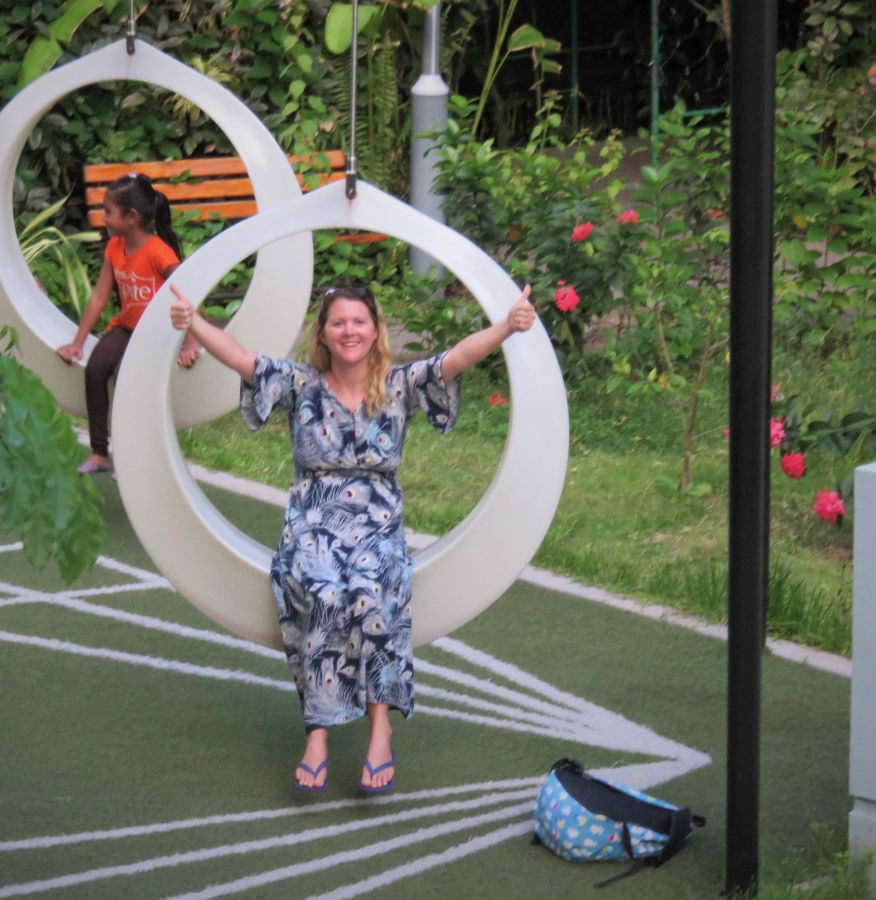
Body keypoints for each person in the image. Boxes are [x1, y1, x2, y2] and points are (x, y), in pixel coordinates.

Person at [169, 280, 537, 793]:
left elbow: (455, 359)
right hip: (313, 516)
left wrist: (506, 326)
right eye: (338, 322)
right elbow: (242, 360)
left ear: (375, 328)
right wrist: (194, 324)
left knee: (371, 590)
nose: (349, 331)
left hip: (377, 518)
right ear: (322, 332)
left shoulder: (399, 384)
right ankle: (316, 732)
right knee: (320, 589)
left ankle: (380, 728)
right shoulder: (301, 384)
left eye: (359, 321)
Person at [58, 174, 200, 474]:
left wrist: (191, 342)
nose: (104, 217)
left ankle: (136, 456)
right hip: (126, 327)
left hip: (158, 332)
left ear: (131, 217)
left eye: (108, 211)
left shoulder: (158, 251)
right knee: (96, 369)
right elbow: (99, 296)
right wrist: (78, 342)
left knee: (128, 377)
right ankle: (100, 453)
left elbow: (188, 292)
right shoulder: (114, 247)